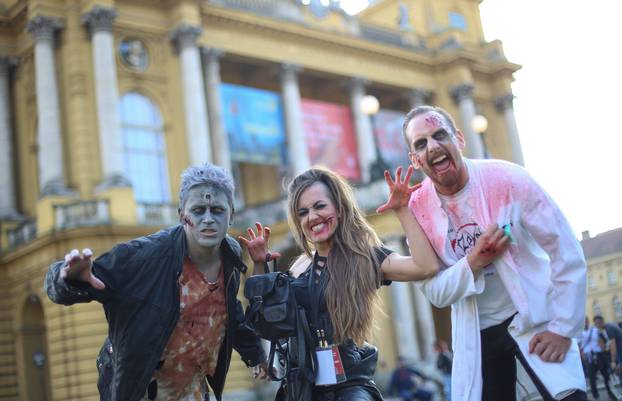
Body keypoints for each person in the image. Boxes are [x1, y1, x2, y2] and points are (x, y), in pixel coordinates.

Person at [239, 166, 505, 401]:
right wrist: (260, 265)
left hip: (349, 386)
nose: (312, 217)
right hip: (301, 386)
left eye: (320, 206)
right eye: (303, 212)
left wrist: (402, 209)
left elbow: (425, 266)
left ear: (339, 208)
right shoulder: (299, 265)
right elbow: (268, 321)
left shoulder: (365, 257)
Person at [401, 105, 588, 401]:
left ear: (459, 139)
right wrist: (474, 261)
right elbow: (435, 292)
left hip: (535, 321)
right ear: (415, 159)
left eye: (440, 135)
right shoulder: (418, 210)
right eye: (421, 143)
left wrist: (563, 328)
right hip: (478, 334)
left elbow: (565, 250)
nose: (433, 146)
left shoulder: (508, 179)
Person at [45, 163, 267, 401]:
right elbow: (68, 286)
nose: (208, 219)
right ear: (182, 215)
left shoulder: (230, 254)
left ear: (231, 214)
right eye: (199, 210)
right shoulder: (145, 255)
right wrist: (67, 277)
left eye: (218, 210)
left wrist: (256, 355)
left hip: (193, 391)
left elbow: (228, 311)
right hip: (140, 391)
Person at [593, 316, 622, 396]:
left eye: (598, 323)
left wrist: (613, 361)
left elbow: (613, 345)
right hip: (619, 353)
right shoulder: (606, 328)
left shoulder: (609, 328)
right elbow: (608, 345)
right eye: (596, 324)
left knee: (620, 374)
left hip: (620, 353)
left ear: (602, 321)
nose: (597, 325)